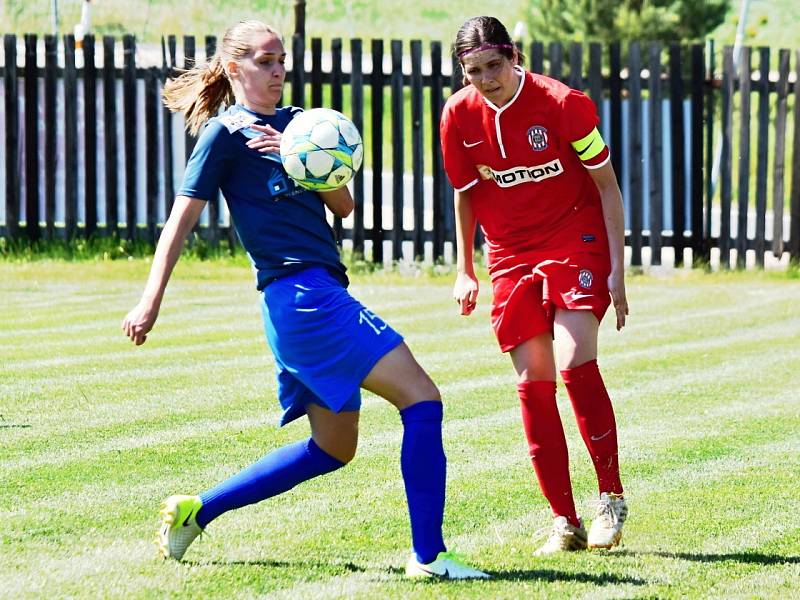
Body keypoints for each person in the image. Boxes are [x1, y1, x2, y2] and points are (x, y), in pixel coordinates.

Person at [121, 19, 487, 580]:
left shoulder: (300, 123)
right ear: (234, 67)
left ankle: (198, 509)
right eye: (264, 61)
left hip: (315, 295)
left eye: (280, 60)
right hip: (301, 294)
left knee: (333, 449)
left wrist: (298, 153)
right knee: (423, 398)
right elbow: (179, 223)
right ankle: (430, 557)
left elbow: (344, 206)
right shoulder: (224, 135)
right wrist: (150, 300)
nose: (277, 71)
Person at [440, 16, 629, 555]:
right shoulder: (458, 114)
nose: (484, 79)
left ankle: (610, 499)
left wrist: (617, 269)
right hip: (510, 252)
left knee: (573, 362)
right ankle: (563, 521)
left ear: (513, 56)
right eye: (472, 70)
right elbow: (466, 192)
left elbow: (607, 186)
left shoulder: (564, 104)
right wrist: (464, 268)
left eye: (493, 66)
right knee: (534, 382)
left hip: (576, 235)